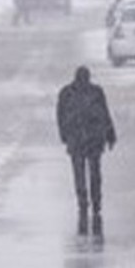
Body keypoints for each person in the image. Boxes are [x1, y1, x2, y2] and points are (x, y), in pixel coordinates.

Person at [56, 66, 117, 237]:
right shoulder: (96, 92)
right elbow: (105, 114)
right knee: (95, 171)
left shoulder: (66, 93)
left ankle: (83, 201)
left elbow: (60, 116)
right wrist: (110, 135)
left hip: (76, 139)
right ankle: (96, 202)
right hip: (94, 139)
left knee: (79, 172)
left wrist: (63, 135)